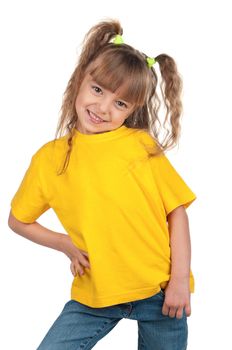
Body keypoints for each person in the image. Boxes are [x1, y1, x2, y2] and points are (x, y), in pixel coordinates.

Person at [8, 18, 197, 350]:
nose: (103, 107)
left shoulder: (141, 147)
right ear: (82, 80)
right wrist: (64, 243)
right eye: (98, 90)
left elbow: (176, 213)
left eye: (120, 103)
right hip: (95, 294)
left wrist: (180, 279)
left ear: (132, 110)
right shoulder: (49, 159)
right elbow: (18, 220)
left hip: (159, 292)